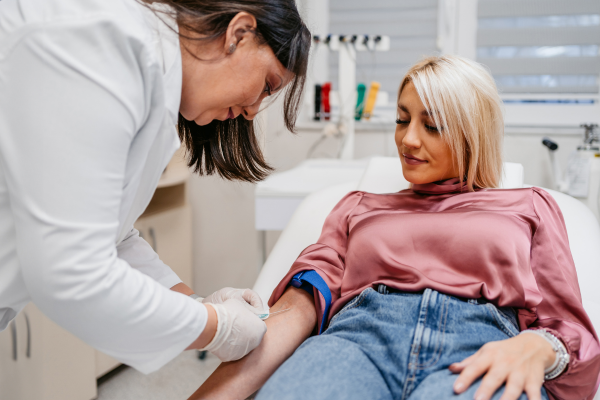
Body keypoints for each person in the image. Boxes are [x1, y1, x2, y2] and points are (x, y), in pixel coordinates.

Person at [190, 56, 600, 400]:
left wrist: (540, 347)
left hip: (481, 348)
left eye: (432, 125)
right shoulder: (358, 206)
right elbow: (299, 308)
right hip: (356, 343)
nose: (408, 139)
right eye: (402, 120)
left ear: (474, 132)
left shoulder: (528, 206)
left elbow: (568, 325)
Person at [0, 0, 310, 373]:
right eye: (266, 85)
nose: (252, 110)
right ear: (239, 34)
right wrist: (215, 327)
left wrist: (197, 304)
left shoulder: (149, 78)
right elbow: (73, 272)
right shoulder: (103, 43)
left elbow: (110, 234)